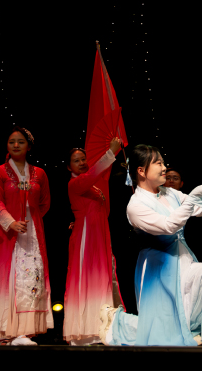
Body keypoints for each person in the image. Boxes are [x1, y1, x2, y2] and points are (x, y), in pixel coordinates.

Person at [99, 144, 202, 346]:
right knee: (160, 329)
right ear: (141, 171)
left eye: (163, 162)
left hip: (182, 258)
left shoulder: (170, 193)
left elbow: (201, 207)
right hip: (158, 267)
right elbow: (169, 226)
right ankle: (117, 322)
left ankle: (187, 330)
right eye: (158, 163)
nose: (164, 167)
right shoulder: (136, 206)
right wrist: (191, 199)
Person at [0, 126, 52, 346]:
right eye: (12, 142)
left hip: (31, 232)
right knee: (9, 278)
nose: (16, 145)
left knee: (30, 278)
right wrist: (11, 222)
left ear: (29, 146)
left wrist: (31, 219)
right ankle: (4, 330)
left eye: (21, 141)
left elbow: (45, 202)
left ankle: (23, 331)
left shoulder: (40, 174)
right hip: (6, 231)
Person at [63, 138, 124, 345]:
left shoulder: (92, 186)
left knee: (102, 277)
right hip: (86, 236)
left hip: (98, 234)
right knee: (87, 278)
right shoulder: (76, 183)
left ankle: (103, 328)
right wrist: (111, 153)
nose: (81, 163)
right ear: (69, 167)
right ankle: (85, 330)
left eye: (83, 159)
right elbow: (93, 174)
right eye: (76, 160)